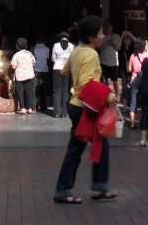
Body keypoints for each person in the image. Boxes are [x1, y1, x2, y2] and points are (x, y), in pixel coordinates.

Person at [53, 15, 117, 205]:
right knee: (81, 148)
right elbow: (87, 84)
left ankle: (98, 186)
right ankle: (72, 189)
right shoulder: (91, 54)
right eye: (100, 33)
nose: (103, 36)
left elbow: (64, 71)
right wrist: (108, 95)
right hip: (86, 108)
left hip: (76, 105)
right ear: (91, 37)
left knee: (88, 146)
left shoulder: (76, 51)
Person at [10, 38, 36, 114]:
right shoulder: (30, 54)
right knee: (29, 92)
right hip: (29, 75)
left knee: (20, 92)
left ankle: (23, 108)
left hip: (20, 76)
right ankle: (30, 108)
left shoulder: (16, 55)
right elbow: (34, 63)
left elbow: (13, 67)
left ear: (17, 46)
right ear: (26, 46)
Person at [51, 31, 73, 118]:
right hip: (66, 69)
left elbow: (53, 58)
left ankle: (56, 112)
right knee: (65, 91)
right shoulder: (71, 45)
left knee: (57, 91)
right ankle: (64, 112)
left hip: (57, 68)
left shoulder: (56, 45)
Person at [126, 39, 146, 129]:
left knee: (133, 102)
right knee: (145, 102)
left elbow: (129, 70)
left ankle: (132, 124)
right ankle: (144, 123)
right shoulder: (146, 55)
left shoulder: (132, 56)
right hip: (145, 80)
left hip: (134, 80)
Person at [99, 32, 122, 103]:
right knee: (104, 81)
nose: (109, 28)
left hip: (113, 62)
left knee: (115, 80)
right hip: (104, 61)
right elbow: (99, 47)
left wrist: (113, 44)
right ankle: (105, 95)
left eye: (110, 27)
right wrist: (108, 43)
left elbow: (118, 48)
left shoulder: (116, 36)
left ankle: (117, 95)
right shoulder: (101, 36)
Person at [32, 37, 50, 113]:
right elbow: (47, 58)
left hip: (36, 69)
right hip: (44, 69)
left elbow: (32, 58)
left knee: (34, 88)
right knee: (44, 88)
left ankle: (34, 106)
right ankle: (43, 106)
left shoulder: (34, 48)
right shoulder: (47, 48)